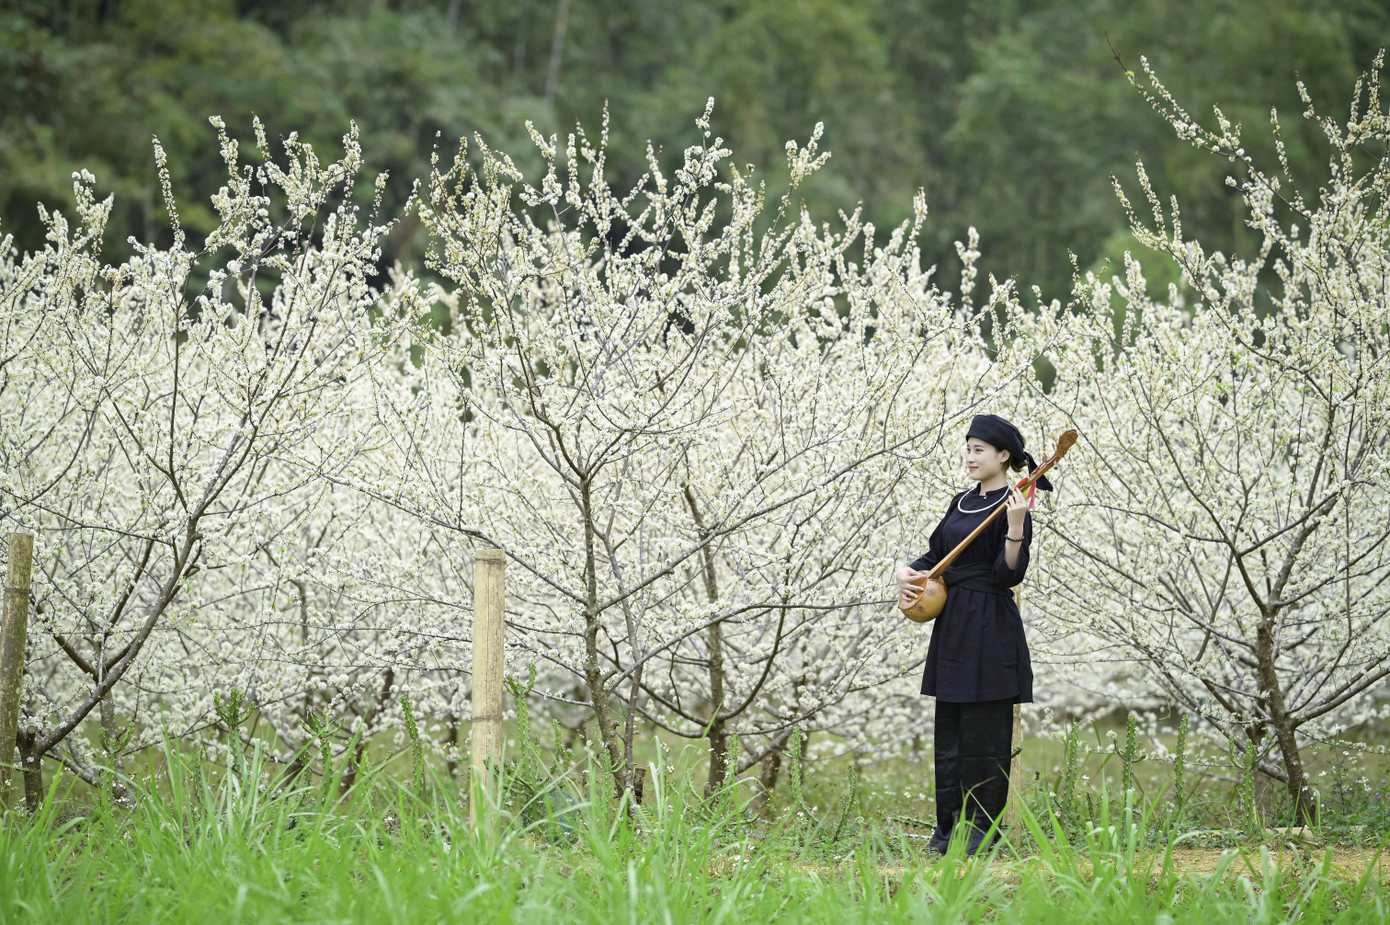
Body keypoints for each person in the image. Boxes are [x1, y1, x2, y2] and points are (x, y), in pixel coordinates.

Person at [895, 414, 1052, 857]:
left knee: (985, 735)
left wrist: (1016, 527)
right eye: (968, 448)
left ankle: (981, 832)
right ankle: (947, 831)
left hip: (990, 625)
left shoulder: (1014, 502)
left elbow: (1007, 575)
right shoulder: (960, 502)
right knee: (949, 734)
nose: (970, 456)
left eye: (978, 449)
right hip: (953, 627)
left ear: (1003, 455)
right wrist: (906, 573)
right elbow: (935, 556)